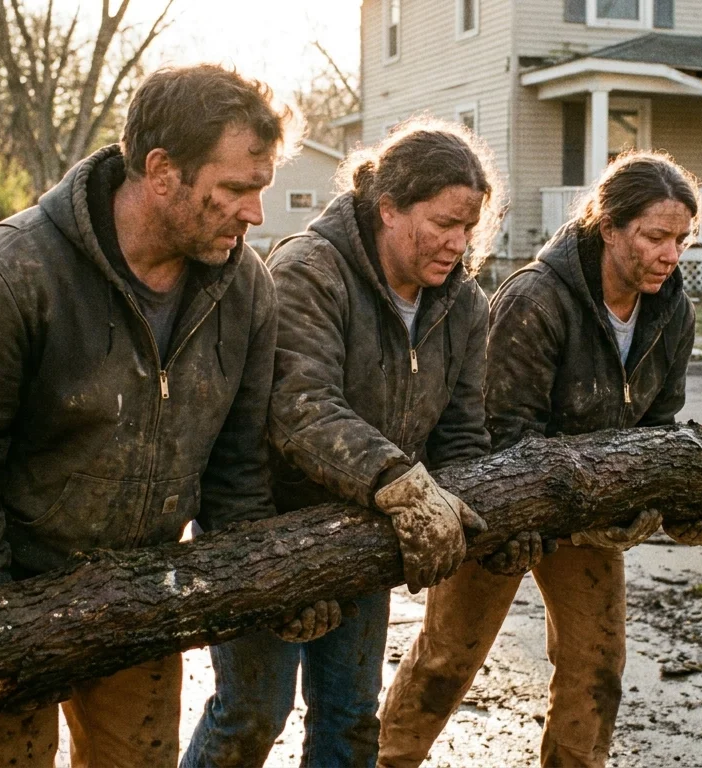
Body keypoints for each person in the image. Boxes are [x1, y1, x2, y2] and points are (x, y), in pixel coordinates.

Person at [0, 64, 329, 768]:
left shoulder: (245, 287)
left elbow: (236, 475)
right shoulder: (15, 272)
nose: (256, 214)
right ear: (161, 171)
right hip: (9, 596)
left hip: (142, 601)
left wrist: (271, 584)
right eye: (235, 189)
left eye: (262, 189)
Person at [183, 118, 534, 768]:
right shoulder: (309, 272)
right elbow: (300, 407)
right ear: (388, 207)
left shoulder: (462, 307)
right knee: (252, 715)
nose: (458, 243)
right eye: (442, 223)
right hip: (265, 526)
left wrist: (494, 518)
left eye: (468, 226)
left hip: (367, 532)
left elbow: (460, 435)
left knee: (349, 720)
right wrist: (401, 483)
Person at [378, 150, 702, 768]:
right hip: (500, 501)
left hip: (592, 512)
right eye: (655, 237)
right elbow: (499, 433)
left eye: (681, 239)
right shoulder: (537, 298)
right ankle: (392, 760)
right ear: (609, 226)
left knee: (598, 664)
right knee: (449, 655)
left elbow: (659, 426)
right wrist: (521, 519)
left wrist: (678, 501)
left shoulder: (673, 311)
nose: (671, 255)